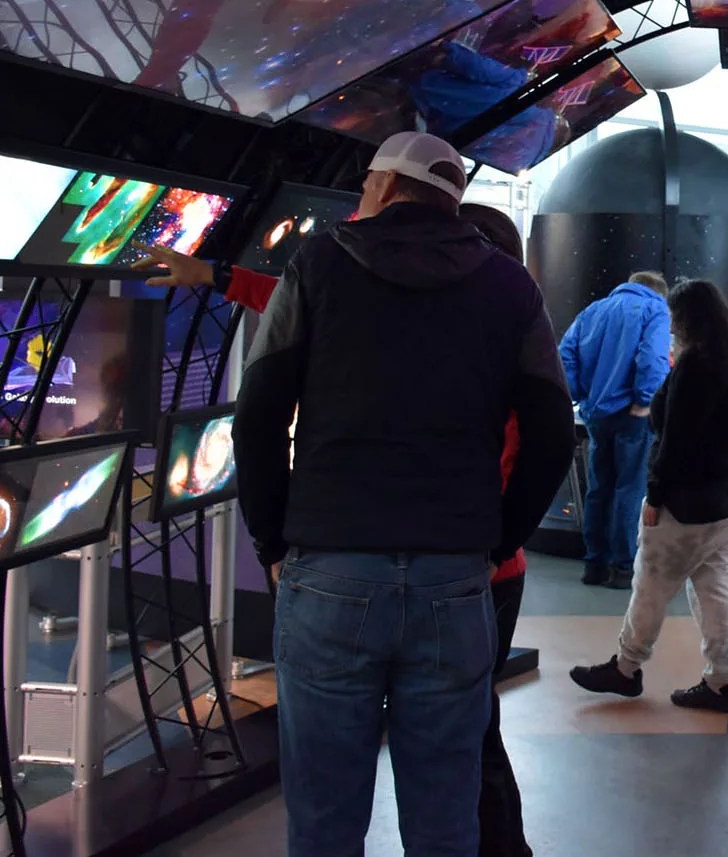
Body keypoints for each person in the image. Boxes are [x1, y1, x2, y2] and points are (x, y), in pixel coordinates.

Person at [142, 200, 540, 857]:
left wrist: (275, 543)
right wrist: (215, 275)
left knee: (434, 755)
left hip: (469, 570)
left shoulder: (486, 338)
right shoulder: (500, 323)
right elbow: (295, 293)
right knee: (459, 744)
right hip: (479, 572)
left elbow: (529, 451)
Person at [231, 132, 575, 857]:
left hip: (329, 569)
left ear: (386, 187)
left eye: (364, 188)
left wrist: (272, 540)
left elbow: (258, 412)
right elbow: (552, 428)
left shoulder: (318, 262)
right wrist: (500, 538)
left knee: (324, 818)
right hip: (454, 574)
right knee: (446, 815)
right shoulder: (511, 287)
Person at [568, 279, 728, 715]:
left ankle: (627, 667)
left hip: (693, 499)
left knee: (651, 582)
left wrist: (655, 494)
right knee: (713, 584)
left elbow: (676, 440)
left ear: (685, 319)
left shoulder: (695, 366)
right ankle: (721, 681)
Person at [559, 272, 671, 589]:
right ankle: (624, 568)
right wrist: (646, 401)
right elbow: (653, 357)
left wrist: (579, 395)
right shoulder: (655, 309)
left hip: (597, 412)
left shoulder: (593, 310)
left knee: (599, 488)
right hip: (632, 415)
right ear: (659, 294)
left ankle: (595, 564)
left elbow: (565, 354)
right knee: (630, 488)